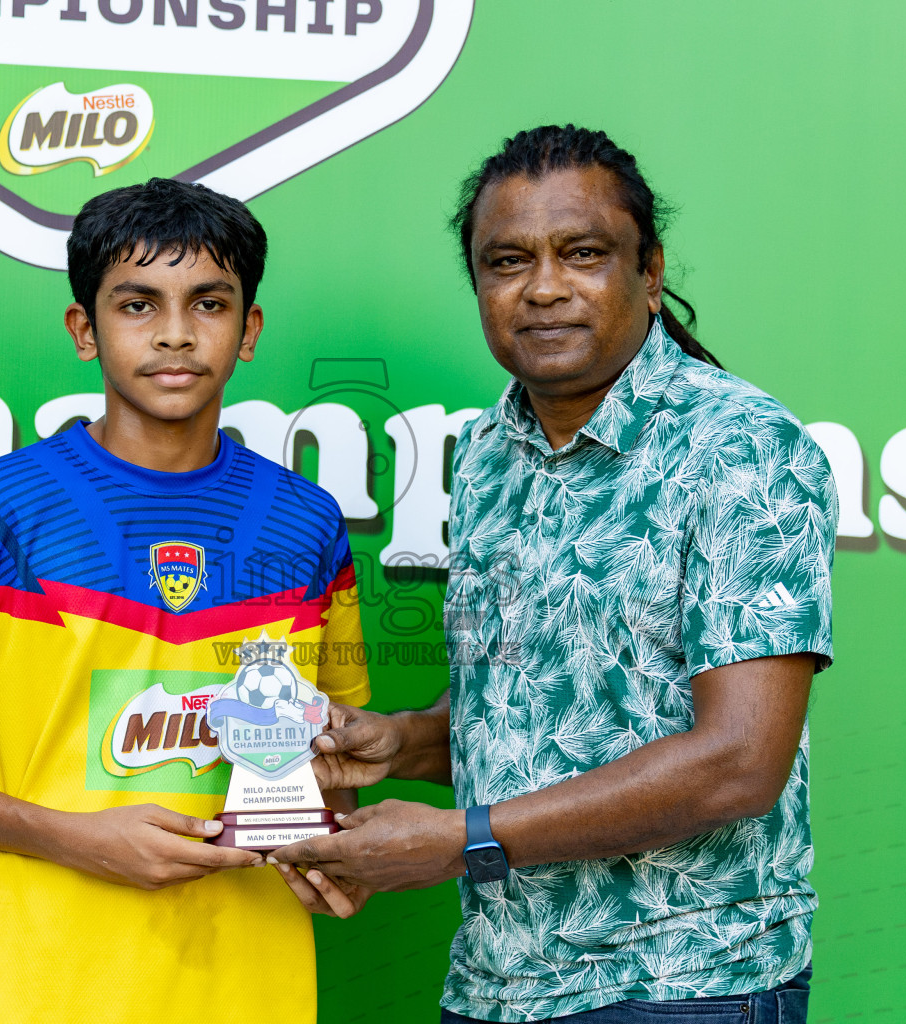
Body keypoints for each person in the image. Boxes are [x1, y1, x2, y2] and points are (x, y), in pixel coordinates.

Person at [272, 125, 837, 1023]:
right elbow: (542, 711)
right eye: (506, 261)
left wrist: (462, 843)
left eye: (582, 254)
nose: (543, 288)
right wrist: (401, 743)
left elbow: (738, 764)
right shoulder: (491, 453)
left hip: (683, 985)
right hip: (496, 984)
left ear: (648, 273)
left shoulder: (740, 448)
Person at [0, 177, 370, 1024]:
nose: (176, 333)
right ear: (85, 330)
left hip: (244, 991)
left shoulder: (308, 527)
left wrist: (333, 849)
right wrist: (74, 838)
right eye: (137, 304)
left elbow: (331, 767)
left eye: (210, 303)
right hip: (22, 987)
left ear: (249, 330)